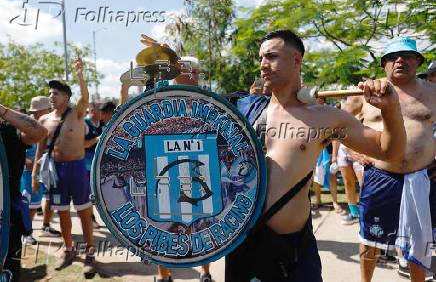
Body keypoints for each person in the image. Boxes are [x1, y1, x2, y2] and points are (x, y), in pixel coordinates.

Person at [225, 30, 406, 282]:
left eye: (272, 56)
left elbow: (389, 150)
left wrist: (391, 110)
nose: (263, 64)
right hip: (241, 246)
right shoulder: (242, 110)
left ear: (296, 60)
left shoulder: (324, 118)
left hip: (292, 255)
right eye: (261, 57)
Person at [346, 36, 436, 282]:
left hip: (423, 176)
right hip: (380, 176)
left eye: (406, 56)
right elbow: (337, 124)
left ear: (417, 61)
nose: (399, 60)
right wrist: (355, 152)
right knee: (369, 238)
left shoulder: (433, 92)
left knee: (419, 241)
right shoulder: (363, 93)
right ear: (384, 63)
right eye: (392, 57)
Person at [120, 45, 213, 282]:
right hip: (163, 173)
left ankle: (205, 272)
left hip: (196, 171)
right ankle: (164, 275)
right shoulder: (159, 100)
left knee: (201, 225)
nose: (194, 75)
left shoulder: (208, 101)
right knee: (163, 225)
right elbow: (127, 119)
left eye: (196, 71)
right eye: (189, 71)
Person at [31, 57, 96, 276]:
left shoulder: (77, 114)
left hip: (77, 170)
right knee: (63, 214)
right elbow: (40, 150)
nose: (51, 97)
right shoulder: (44, 121)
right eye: (49, 93)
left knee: (85, 214)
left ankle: (90, 253)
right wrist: (34, 176)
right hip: (55, 172)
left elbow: (85, 97)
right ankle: (68, 249)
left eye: (55, 93)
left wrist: (80, 74)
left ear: (66, 97)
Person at [0, 104, 47, 281]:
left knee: (8, 271)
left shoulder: (8, 130)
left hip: (7, 219)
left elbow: (40, 133)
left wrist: (2, 111)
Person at [20, 96, 61, 246]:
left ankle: (46, 226)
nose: (50, 111)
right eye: (47, 109)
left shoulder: (50, 123)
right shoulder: (25, 125)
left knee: (50, 200)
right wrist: (25, 160)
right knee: (30, 204)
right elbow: (14, 146)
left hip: (46, 168)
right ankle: (26, 233)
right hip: (28, 171)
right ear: (38, 111)